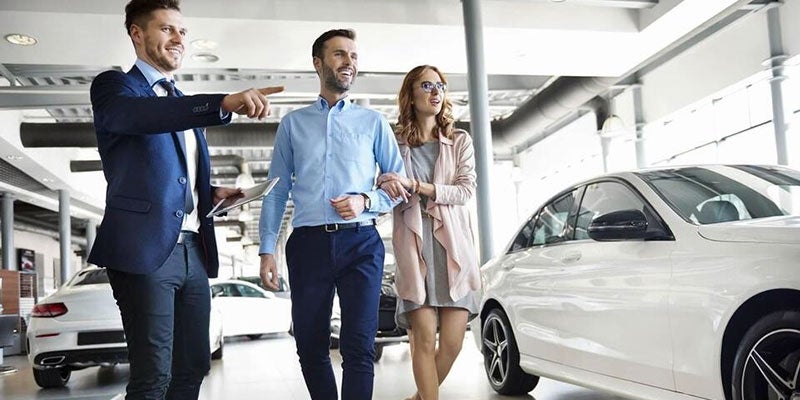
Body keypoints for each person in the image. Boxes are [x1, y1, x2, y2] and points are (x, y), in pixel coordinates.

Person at [88, 0, 282, 398]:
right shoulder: (116, 88)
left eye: (182, 31)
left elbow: (170, 174)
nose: (178, 39)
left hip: (193, 250)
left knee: (192, 366)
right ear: (137, 34)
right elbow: (134, 118)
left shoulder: (178, 98)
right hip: (147, 252)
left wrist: (208, 193)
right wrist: (221, 103)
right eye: (166, 29)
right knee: (152, 375)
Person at [258, 29, 405, 400]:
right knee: (309, 344)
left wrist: (365, 200)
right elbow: (276, 190)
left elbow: (398, 186)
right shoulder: (293, 124)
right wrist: (265, 250)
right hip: (307, 244)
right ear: (318, 63)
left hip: (361, 243)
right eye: (340, 54)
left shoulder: (373, 123)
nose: (349, 63)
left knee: (358, 346)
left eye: (354, 56)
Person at [376, 65, 481, 400]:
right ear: (411, 93)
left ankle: (419, 398)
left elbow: (465, 191)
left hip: (453, 248)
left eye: (441, 86)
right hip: (412, 247)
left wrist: (418, 186)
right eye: (427, 85)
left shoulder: (459, 140)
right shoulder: (394, 145)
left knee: (452, 342)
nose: (436, 92)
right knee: (422, 338)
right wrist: (385, 182)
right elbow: (383, 188)